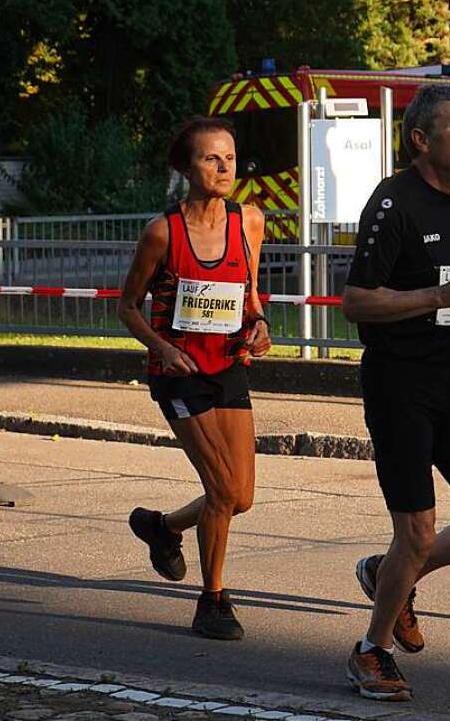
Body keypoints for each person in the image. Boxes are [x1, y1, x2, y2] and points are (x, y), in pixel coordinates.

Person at [342, 84, 450, 701]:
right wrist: (433, 299)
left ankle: (389, 576)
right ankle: (372, 650)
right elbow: (356, 301)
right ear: (422, 139)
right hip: (398, 384)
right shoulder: (393, 203)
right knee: (415, 531)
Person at [118, 116, 271, 640]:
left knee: (241, 496)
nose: (224, 166)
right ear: (187, 167)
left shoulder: (248, 221)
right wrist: (160, 345)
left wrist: (261, 325)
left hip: (229, 364)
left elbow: (249, 294)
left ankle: (163, 528)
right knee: (223, 488)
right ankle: (213, 600)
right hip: (178, 373)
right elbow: (127, 307)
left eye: (229, 156)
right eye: (211, 157)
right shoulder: (163, 231)